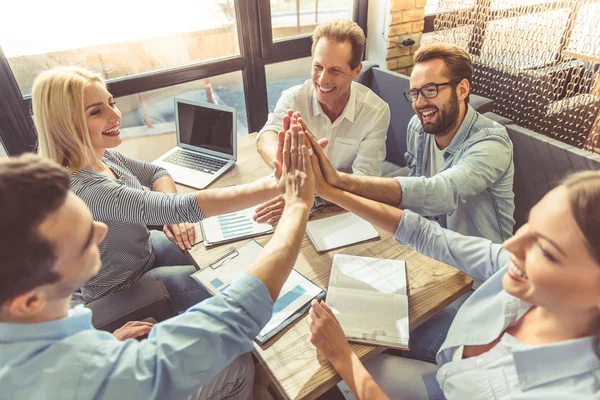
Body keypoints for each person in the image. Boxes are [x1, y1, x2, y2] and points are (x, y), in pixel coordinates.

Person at [0, 124, 315, 399]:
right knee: (239, 365)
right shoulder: (98, 373)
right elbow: (234, 316)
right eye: (80, 239)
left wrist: (105, 338)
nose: (100, 230)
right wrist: (298, 205)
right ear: (28, 301)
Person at [305, 147, 600, 398]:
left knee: (333, 374)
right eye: (529, 225)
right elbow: (428, 235)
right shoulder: (522, 272)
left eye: (547, 251)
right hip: (447, 374)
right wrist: (331, 191)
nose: (511, 245)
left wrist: (342, 357)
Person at [32, 66, 284, 312]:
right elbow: (182, 207)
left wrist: (170, 216)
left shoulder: (104, 157)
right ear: (66, 124)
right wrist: (272, 184)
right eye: (97, 112)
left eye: (111, 102)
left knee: (227, 253)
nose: (115, 115)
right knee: (233, 286)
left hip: (145, 251)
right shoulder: (87, 189)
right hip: (123, 288)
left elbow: (157, 173)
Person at [305, 42, 515, 244]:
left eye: (430, 90)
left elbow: (441, 193)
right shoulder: (418, 127)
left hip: (479, 270)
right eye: (414, 93)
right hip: (429, 246)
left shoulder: (492, 142)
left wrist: (340, 181)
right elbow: (416, 195)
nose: (420, 102)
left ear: (462, 90)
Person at [253, 18, 390, 225]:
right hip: (296, 196)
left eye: (335, 71)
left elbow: (365, 183)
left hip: (342, 210)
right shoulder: (293, 98)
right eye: (318, 66)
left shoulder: (376, 112)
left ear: (356, 71)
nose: (323, 79)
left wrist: (308, 199)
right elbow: (266, 136)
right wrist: (285, 171)